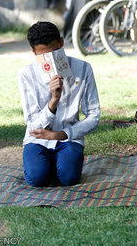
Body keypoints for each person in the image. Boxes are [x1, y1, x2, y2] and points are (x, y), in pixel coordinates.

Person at [18, 21, 100, 187]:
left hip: (69, 138)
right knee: (37, 178)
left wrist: (61, 134)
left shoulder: (83, 69)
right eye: (44, 56)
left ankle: (61, 163)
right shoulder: (26, 74)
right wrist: (53, 101)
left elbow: (93, 115)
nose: (52, 61)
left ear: (62, 43)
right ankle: (46, 165)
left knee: (68, 178)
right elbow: (32, 123)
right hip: (37, 139)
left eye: (55, 52)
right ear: (33, 52)